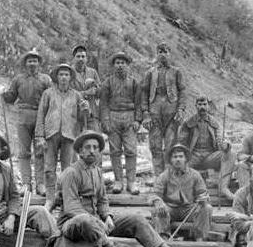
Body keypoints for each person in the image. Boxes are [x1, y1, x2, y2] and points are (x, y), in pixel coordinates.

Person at [56, 131, 195, 247]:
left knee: (136, 220)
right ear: (80, 150)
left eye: (95, 147)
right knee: (85, 219)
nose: (92, 151)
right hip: (72, 225)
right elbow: (71, 207)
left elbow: (102, 200)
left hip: (97, 224)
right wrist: (97, 221)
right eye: (87, 147)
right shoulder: (71, 173)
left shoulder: (96, 171)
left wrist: (107, 216)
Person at [35, 63, 89, 209]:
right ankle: (50, 199)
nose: (64, 77)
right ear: (56, 77)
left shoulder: (76, 95)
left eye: (66, 74)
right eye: (61, 74)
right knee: (49, 168)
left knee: (68, 169)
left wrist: (85, 110)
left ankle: (67, 199)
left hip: (69, 135)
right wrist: (39, 136)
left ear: (71, 77)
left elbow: (82, 118)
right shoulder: (48, 93)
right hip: (51, 134)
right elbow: (40, 115)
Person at [1, 49, 52, 196]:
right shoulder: (18, 79)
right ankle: (26, 184)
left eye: (35, 61)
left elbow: (51, 99)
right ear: (25, 63)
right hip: (22, 117)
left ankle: (40, 184)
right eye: (29, 61)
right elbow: (11, 98)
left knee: (40, 151)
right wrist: (3, 93)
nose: (32, 63)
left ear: (39, 63)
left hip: (40, 117)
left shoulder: (45, 79)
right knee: (23, 153)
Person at [150, 144, 212, 241]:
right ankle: (163, 239)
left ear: (186, 159)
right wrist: (159, 203)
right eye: (175, 157)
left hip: (189, 209)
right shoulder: (164, 175)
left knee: (206, 208)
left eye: (181, 156)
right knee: (157, 210)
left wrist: (203, 199)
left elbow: (202, 192)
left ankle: (200, 239)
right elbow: (155, 194)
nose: (178, 159)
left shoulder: (195, 175)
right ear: (171, 160)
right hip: (170, 209)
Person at [141, 43, 187, 175]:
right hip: (154, 114)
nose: (162, 54)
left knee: (171, 147)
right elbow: (144, 92)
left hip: (171, 115)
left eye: (165, 52)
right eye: (160, 51)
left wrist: (181, 109)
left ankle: (170, 176)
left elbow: (182, 91)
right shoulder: (150, 73)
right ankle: (158, 177)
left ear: (169, 54)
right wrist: (145, 113)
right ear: (156, 54)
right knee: (155, 146)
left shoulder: (176, 72)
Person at [179, 95, 235, 200]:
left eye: (204, 104)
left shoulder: (215, 123)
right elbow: (181, 143)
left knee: (230, 154)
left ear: (208, 106)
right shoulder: (188, 123)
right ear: (195, 106)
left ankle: (223, 187)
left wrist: (225, 145)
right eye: (199, 104)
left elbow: (221, 138)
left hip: (209, 157)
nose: (202, 107)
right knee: (178, 163)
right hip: (193, 156)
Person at [100, 52, 141, 194]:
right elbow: (103, 104)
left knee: (131, 150)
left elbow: (139, 103)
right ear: (113, 65)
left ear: (127, 65)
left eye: (123, 63)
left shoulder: (134, 82)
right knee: (115, 151)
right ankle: (118, 181)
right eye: (117, 63)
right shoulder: (107, 83)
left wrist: (137, 119)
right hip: (113, 117)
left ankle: (131, 181)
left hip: (129, 117)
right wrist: (105, 120)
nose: (120, 66)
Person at [70, 44, 101, 132]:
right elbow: (67, 94)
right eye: (78, 56)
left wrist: (95, 86)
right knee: (75, 142)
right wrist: (86, 93)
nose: (80, 59)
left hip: (91, 113)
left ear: (86, 59)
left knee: (94, 139)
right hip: (74, 114)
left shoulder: (93, 72)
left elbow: (100, 92)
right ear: (73, 58)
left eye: (83, 56)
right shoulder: (69, 72)